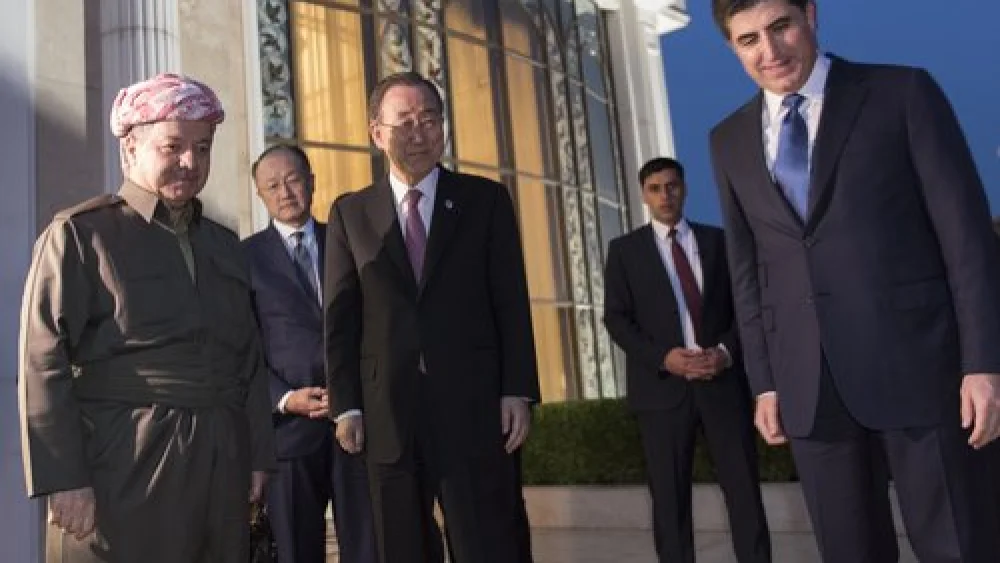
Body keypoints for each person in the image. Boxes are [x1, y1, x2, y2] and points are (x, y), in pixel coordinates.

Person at [708, 1, 1000, 561]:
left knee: (959, 547)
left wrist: (983, 363)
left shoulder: (902, 95)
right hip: (810, 390)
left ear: (810, 14)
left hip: (924, 374)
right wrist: (765, 383)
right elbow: (748, 274)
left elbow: (967, 241)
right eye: (748, 40)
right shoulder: (728, 140)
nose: (770, 51)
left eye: (780, 27)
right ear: (732, 47)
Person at [18, 73, 276, 562]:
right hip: (123, 464)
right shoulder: (80, 235)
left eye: (203, 148)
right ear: (130, 149)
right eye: (173, 146)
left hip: (222, 467)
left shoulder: (224, 246)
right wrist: (64, 478)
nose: (190, 162)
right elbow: (42, 361)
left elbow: (249, 360)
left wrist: (259, 456)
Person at [324, 71, 541, 563]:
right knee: (402, 547)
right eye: (404, 122)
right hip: (388, 415)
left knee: (490, 544)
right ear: (376, 133)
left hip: (475, 408)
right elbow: (340, 319)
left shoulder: (485, 200)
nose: (418, 132)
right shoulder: (350, 213)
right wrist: (346, 406)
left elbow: (510, 301)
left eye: (429, 119)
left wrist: (517, 390)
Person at [603, 157, 770, 563]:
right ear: (644, 195)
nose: (665, 195)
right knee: (669, 501)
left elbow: (746, 308)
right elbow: (616, 319)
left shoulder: (720, 243)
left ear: (684, 189)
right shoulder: (625, 251)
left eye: (672, 186)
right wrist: (664, 358)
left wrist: (726, 353)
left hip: (722, 387)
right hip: (662, 392)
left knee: (745, 494)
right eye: (655, 188)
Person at [244, 144, 377, 563]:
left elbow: (374, 327)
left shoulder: (348, 241)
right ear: (260, 195)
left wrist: (354, 392)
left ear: (312, 182)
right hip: (288, 434)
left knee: (369, 547)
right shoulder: (243, 258)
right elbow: (242, 348)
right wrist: (285, 398)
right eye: (272, 185)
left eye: (293, 180)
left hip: (355, 422)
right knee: (296, 551)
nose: (284, 192)